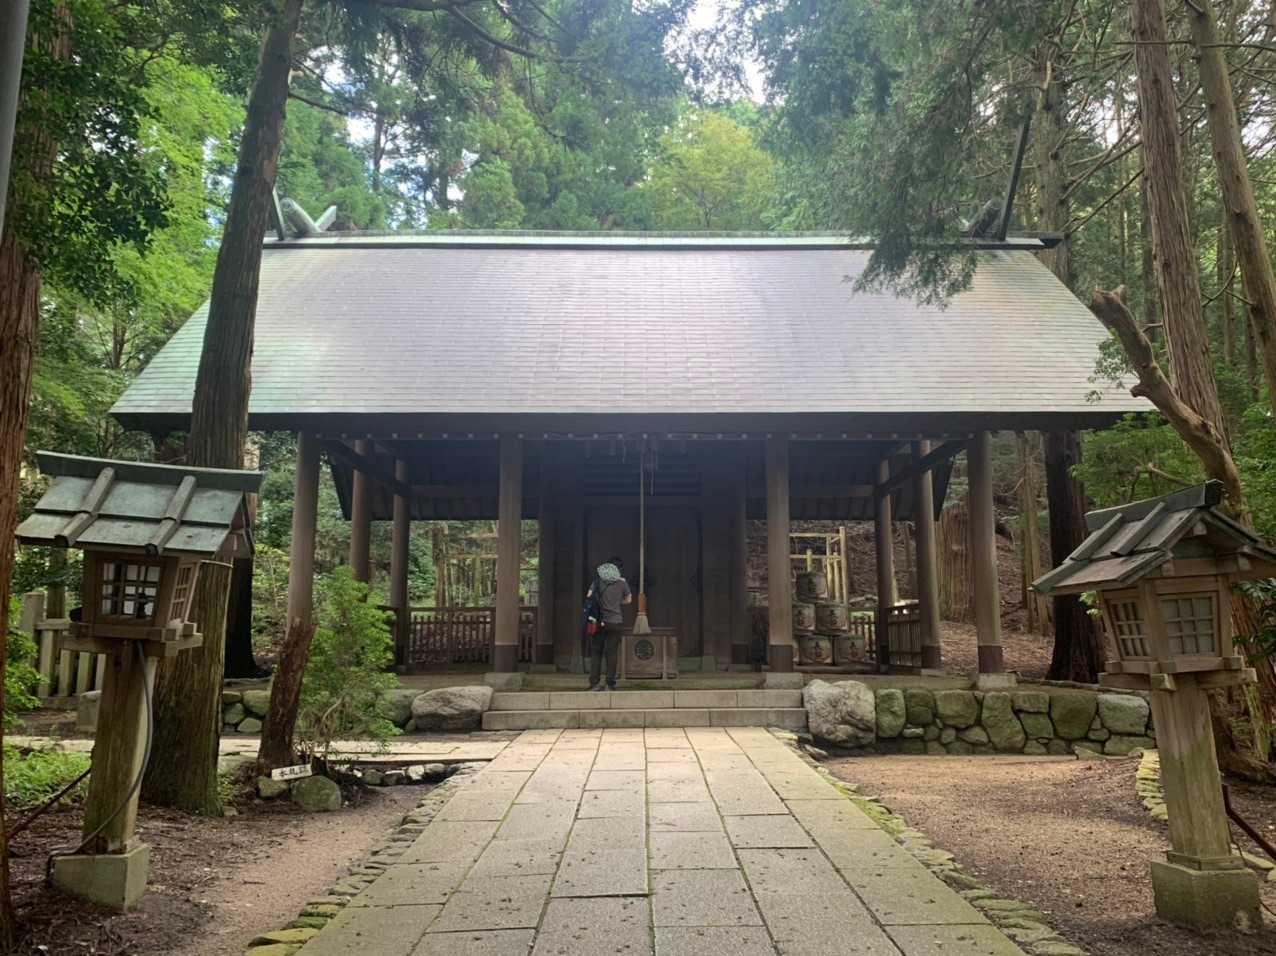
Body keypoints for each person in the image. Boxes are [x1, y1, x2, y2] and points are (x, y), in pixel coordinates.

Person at [586, 556, 631, 691]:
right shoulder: (622, 582)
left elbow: (589, 596)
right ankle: (610, 684)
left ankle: (594, 683)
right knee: (611, 653)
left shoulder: (597, 581)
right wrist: (617, 602)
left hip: (599, 621)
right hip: (615, 621)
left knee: (596, 652)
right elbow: (629, 600)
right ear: (618, 569)